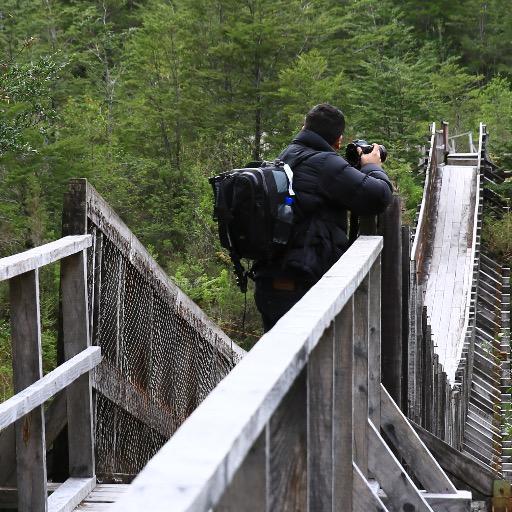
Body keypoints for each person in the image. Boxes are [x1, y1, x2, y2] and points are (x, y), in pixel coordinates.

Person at [253, 103, 393, 331]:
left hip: (270, 281)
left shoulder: (286, 157)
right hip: (302, 285)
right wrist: (372, 167)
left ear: (304, 126)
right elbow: (378, 197)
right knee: (310, 365)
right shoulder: (325, 164)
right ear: (338, 141)